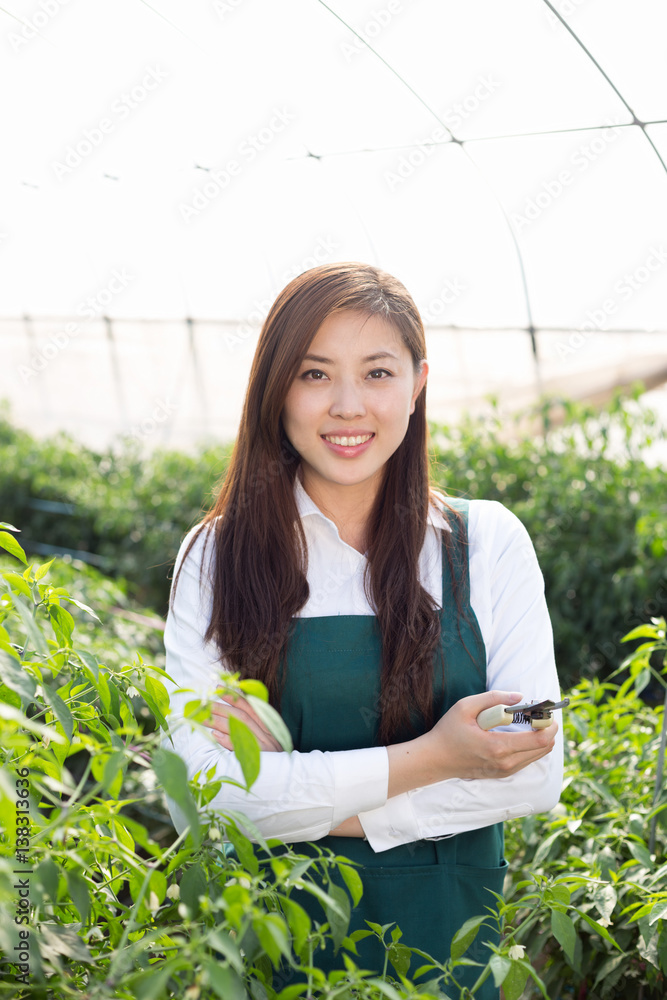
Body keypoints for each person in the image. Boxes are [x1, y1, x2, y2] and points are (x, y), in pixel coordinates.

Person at [161, 261, 564, 996]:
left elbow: (533, 776)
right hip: (272, 953)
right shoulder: (215, 556)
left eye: (377, 373)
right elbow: (211, 798)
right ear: (275, 388)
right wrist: (440, 756)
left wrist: (294, 801)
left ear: (417, 384)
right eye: (315, 375)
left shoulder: (488, 544)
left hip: (447, 961)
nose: (348, 406)